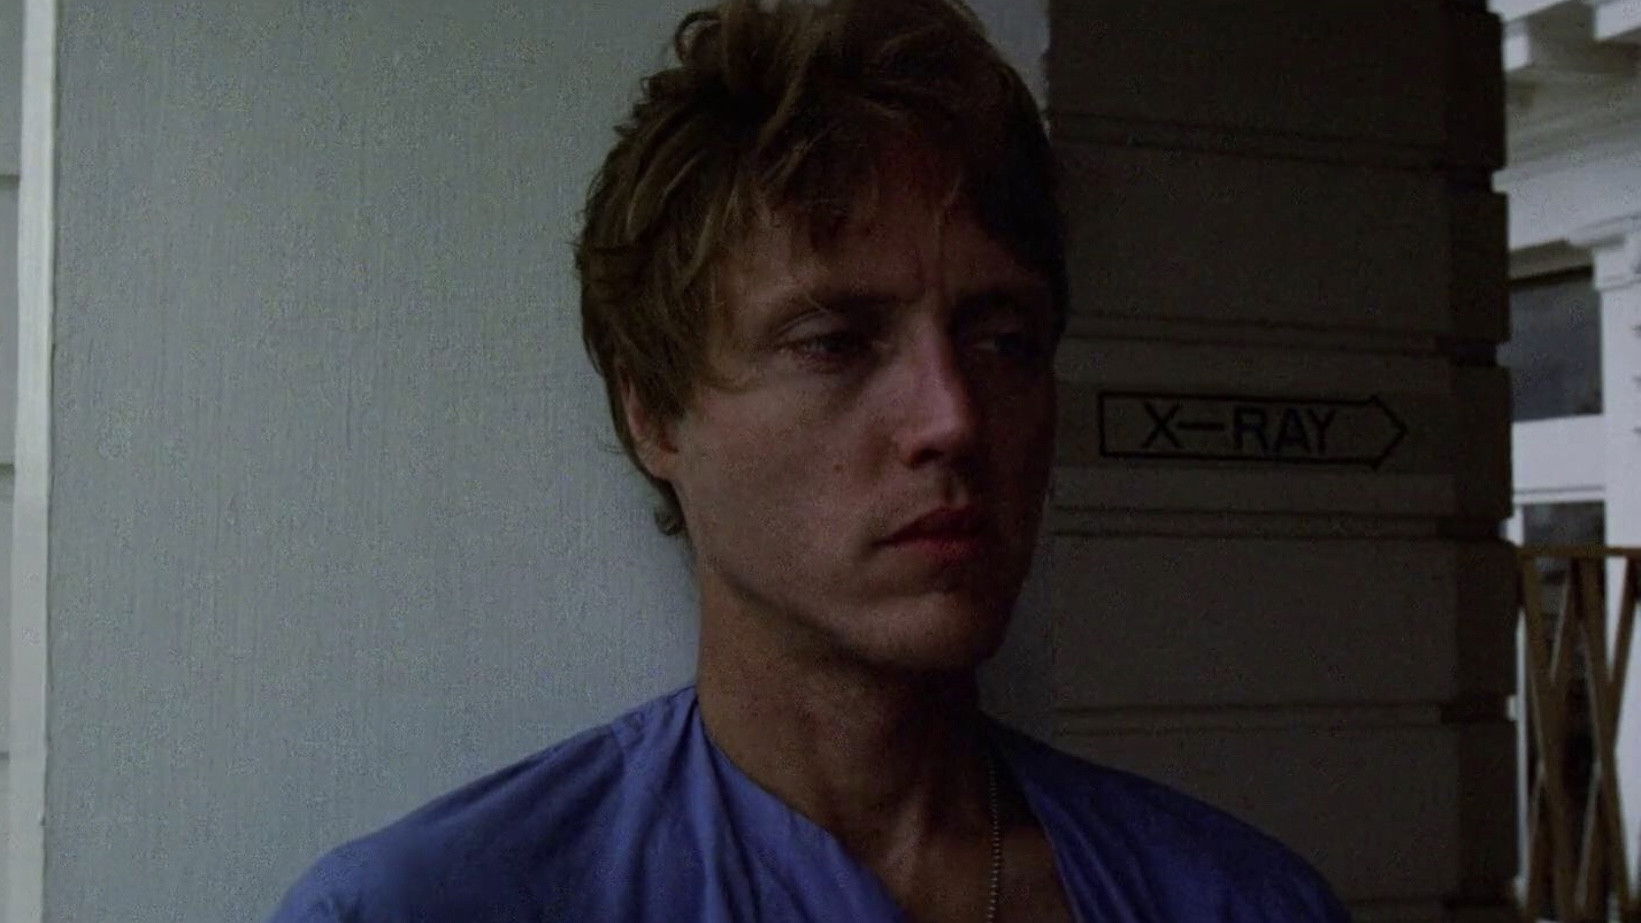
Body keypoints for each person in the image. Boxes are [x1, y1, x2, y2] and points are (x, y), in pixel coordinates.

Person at [271, 0, 1351, 920]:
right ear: (654, 412)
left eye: (1003, 340)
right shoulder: (438, 904)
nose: (953, 418)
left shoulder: (1232, 899)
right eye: (834, 341)